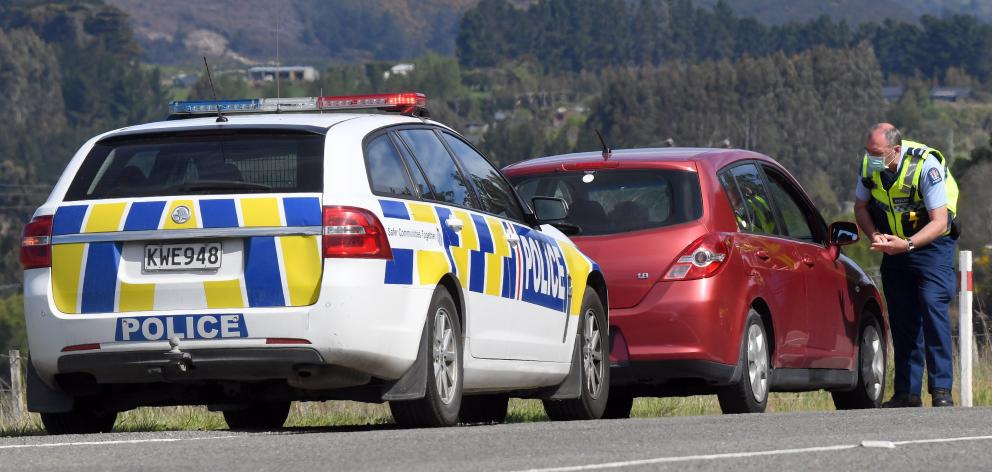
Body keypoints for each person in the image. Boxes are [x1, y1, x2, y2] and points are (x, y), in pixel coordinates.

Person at [854, 123, 959, 408]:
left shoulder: (926, 167)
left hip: (932, 245)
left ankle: (941, 390)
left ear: (895, 150)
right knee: (902, 315)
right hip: (894, 244)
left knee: (931, 304)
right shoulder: (869, 166)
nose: (870, 158)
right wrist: (874, 234)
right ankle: (907, 393)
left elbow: (940, 221)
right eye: (868, 152)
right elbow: (860, 207)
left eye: (877, 153)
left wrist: (909, 245)